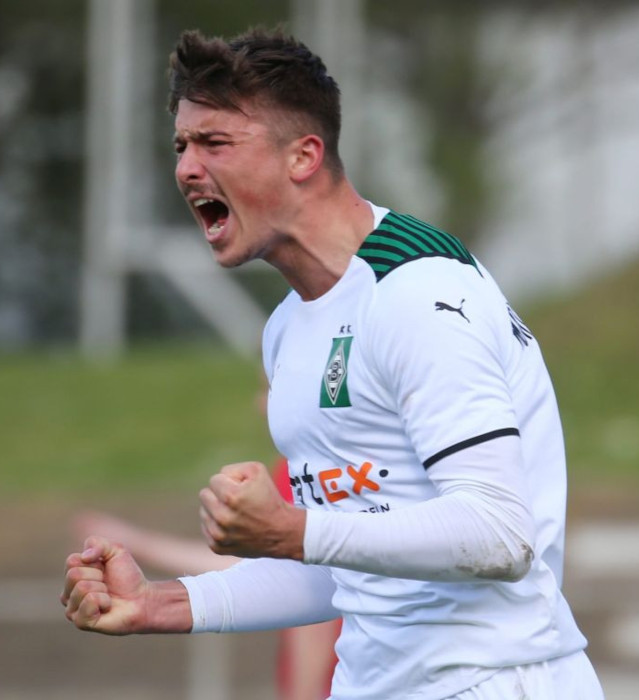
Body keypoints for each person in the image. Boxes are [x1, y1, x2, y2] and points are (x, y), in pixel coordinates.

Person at [62, 27, 605, 700]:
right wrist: (160, 603)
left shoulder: (418, 290)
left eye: (214, 143)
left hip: (493, 682)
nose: (187, 169)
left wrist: (294, 527)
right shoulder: (288, 327)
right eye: (181, 146)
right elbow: (345, 566)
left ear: (304, 156)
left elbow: (500, 534)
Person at [71, 457, 340, 700]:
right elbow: (278, 569)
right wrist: (151, 597)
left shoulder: (309, 462)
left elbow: (307, 582)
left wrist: (303, 694)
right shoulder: (311, 460)